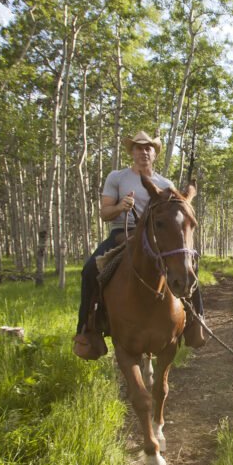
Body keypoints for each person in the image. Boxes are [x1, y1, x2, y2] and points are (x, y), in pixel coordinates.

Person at [72, 131, 206, 360]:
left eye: (148, 148)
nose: (144, 151)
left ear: (154, 153)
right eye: (139, 147)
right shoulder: (117, 177)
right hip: (122, 235)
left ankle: (196, 321)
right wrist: (120, 207)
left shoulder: (165, 183)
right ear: (132, 152)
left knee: (187, 267)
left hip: (158, 237)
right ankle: (87, 330)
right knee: (90, 269)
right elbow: (105, 212)